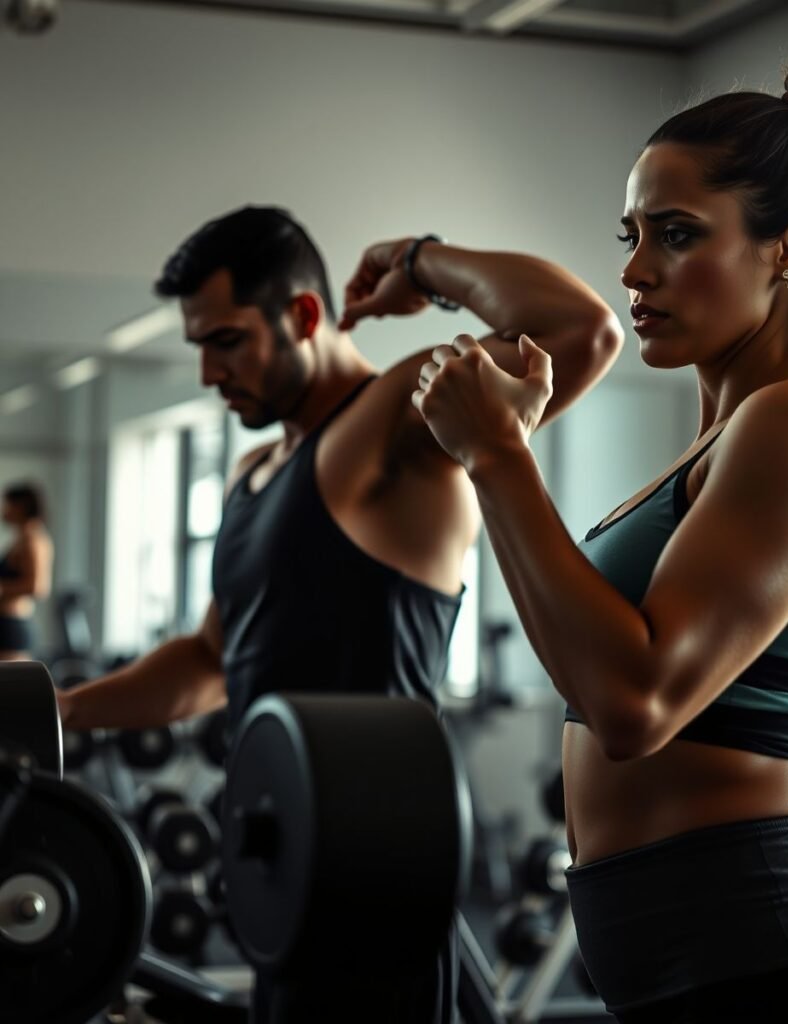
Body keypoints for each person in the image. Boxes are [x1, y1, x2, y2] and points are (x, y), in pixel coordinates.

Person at [413, 52, 788, 1024]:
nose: (632, 269)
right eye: (631, 236)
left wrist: (496, 455)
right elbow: (598, 660)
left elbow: (637, 702)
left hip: (786, 978)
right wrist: (504, 449)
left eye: (675, 234)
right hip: (686, 974)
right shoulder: (718, 443)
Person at [56, 206, 623, 1021]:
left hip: (380, 850)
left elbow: (584, 330)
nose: (210, 373)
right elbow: (211, 662)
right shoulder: (256, 470)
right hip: (279, 851)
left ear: (304, 316)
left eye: (227, 342)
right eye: (199, 347)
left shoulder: (397, 420)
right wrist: (65, 707)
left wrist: (420, 261)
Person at [0, 483, 53, 661]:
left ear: (21, 506)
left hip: (11, 625)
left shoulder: (33, 540)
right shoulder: (20, 540)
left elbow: (38, 587)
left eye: (7, 504)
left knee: (10, 687)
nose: (4, 510)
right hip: (6, 623)